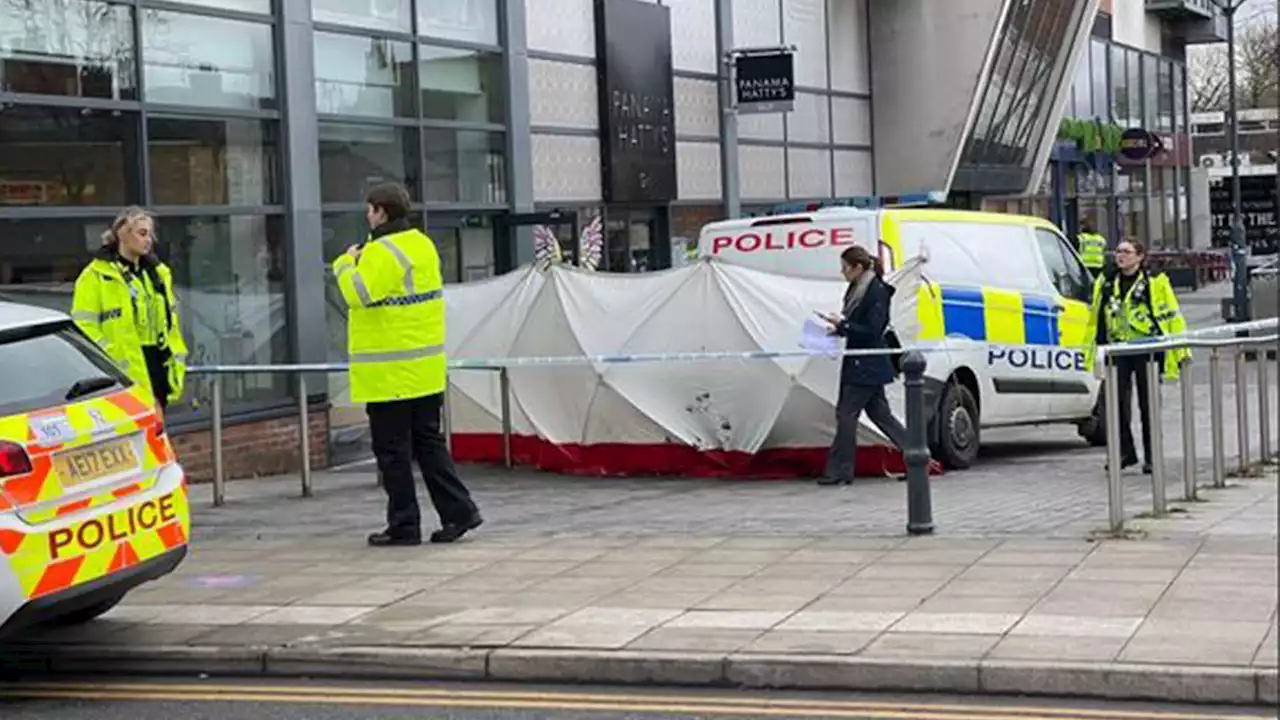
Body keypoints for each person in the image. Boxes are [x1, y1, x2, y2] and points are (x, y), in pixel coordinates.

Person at [333, 183, 482, 546]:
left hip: (390, 374)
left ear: (381, 212)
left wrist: (344, 264)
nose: (367, 216)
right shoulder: (422, 244)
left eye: (369, 210)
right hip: (425, 368)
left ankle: (404, 525)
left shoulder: (382, 251)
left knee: (393, 453)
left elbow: (360, 295)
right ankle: (460, 512)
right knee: (429, 445)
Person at [1085, 239, 1190, 474]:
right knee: (1115, 404)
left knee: (1148, 404)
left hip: (1147, 348)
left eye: (1126, 252)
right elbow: (1096, 315)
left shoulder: (1154, 281)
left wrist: (1181, 348)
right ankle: (1125, 452)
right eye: (1118, 251)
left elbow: (1171, 314)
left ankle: (1152, 456)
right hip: (1118, 348)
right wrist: (1095, 348)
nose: (1120, 256)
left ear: (1139, 256)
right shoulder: (1108, 280)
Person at [71, 206, 186, 411]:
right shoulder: (95, 276)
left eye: (150, 234)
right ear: (122, 234)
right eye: (142, 233)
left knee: (154, 433)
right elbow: (84, 327)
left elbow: (171, 323)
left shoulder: (157, 274)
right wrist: (111, 356)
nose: (148, 240)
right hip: (122, 372)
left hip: (158, 366)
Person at [817, 246, 910, 485]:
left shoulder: (876, 291)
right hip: (863, 361)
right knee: (881, 415)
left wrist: (843, 326)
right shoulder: (857, 288)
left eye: (845, 267)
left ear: (858, 267)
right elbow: (860, 326)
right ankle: (917, 456)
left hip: (866, 363)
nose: (842, 272)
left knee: (846, 414)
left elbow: (873, 330)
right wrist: (838, 328)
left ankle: (841, 471)